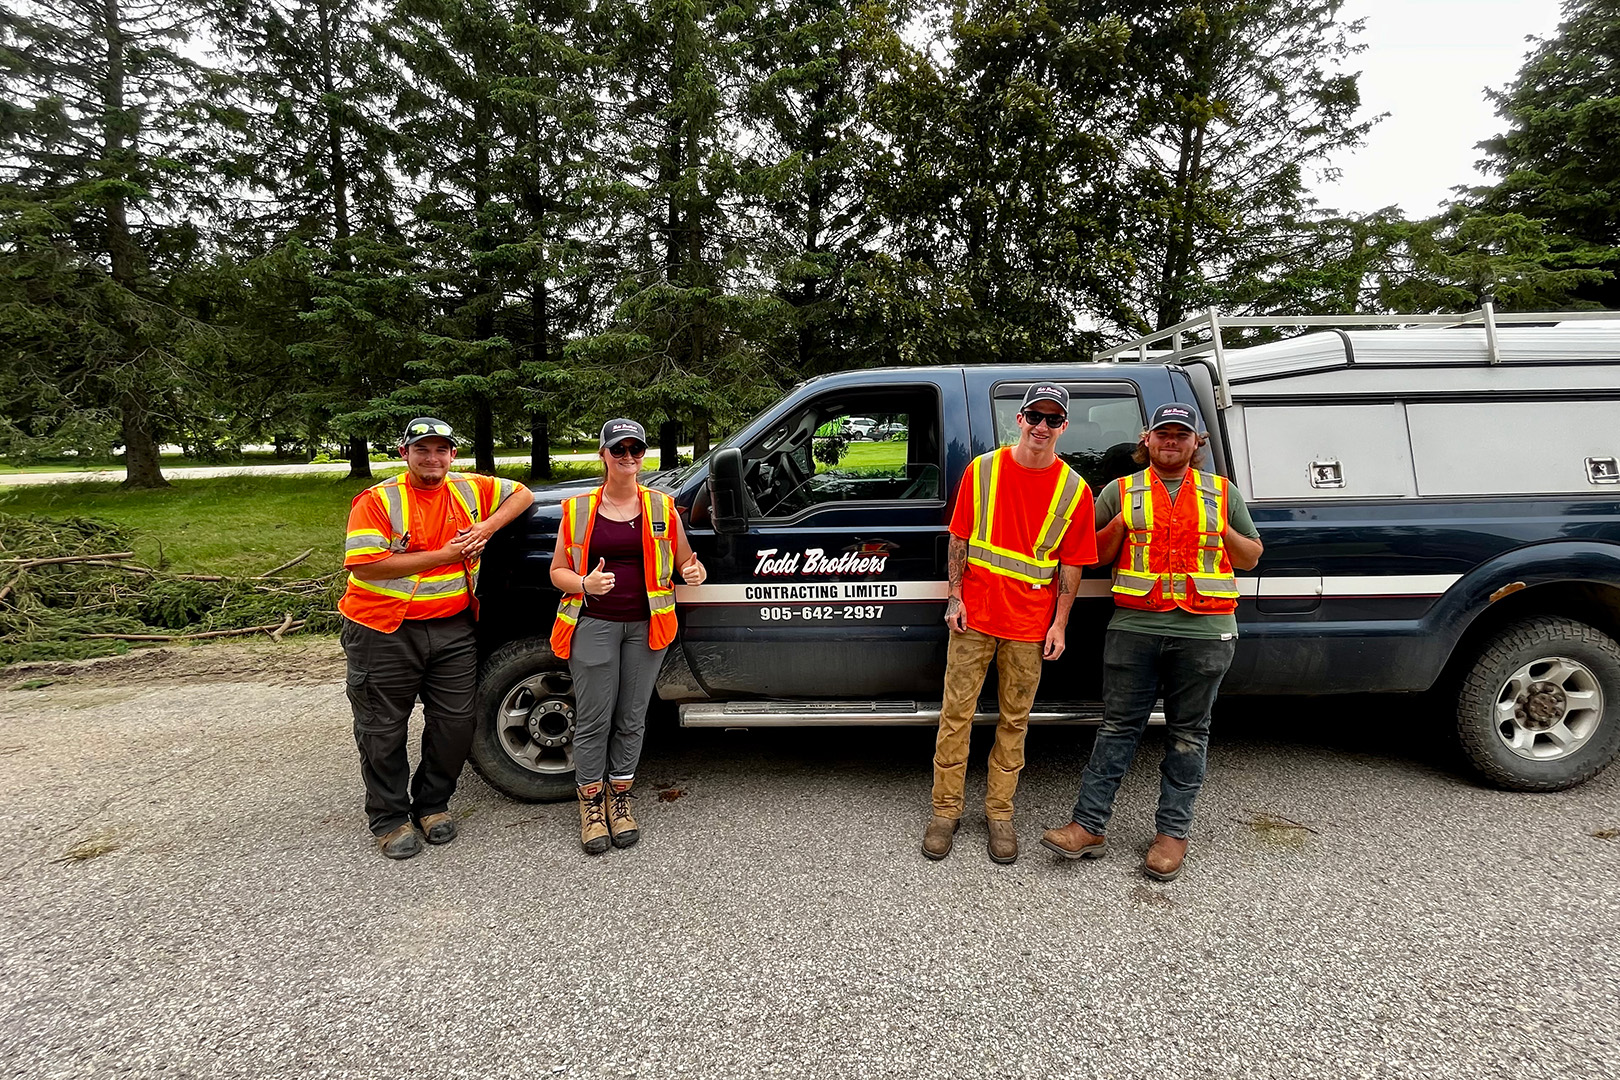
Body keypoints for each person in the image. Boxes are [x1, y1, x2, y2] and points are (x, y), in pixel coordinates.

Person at [1041, 401, 1263, 881]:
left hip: (1205, 630)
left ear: (1194, 443)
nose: (1171, 441)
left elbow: (1250, 558)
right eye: (1163, 433)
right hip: (1135, 627)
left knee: (1189, 733)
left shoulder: (1222, 492)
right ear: (1147, 439)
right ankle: (1088, 826)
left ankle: (1171, 835)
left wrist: (1220, 529)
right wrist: (1120, 523)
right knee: (1117, 729)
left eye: (1181, 434)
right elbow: (1090, 556)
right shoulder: (1119, 491)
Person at [340, 417, 535, 860]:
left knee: (455, 723)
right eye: (422, 450)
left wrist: (487, 528)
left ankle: (432, 804)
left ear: (452, 455)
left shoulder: (468, 488)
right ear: (404, 453)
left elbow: (521, 494)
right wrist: (444, 555)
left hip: (452, 627)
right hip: (382, 629)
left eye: (441, 450)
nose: (433, 458)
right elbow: (366, 566)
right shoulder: (378, 500)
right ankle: (389, 818)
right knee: (381, 729)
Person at [923, 384, 1097, 865]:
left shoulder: (1074, 490)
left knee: (1013, 722)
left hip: (1029, 625)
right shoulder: (983, 471)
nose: (1042, 427)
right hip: (974, 618)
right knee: (955, 716)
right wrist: (955, 596)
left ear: (1064, 427)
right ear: (1018, 419)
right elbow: (959, 539)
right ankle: (945, 813)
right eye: (1034, 416)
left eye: (1052, 419)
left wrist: (1060, 624)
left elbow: (1072, 565)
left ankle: (1000, 814)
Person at [549, 419, 706, 855]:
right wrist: (583, 585)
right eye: (619, 450)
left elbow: (689, 563)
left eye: (636, 450)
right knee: (596, 717)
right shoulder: (578, 510)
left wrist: (693, 572)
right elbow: (557, 570)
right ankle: (591, 805)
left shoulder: (661, 507)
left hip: (647, 628)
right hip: (594, 625)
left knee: (632, 717)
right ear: (603, 454)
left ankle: (620, 800)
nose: (628, 458)